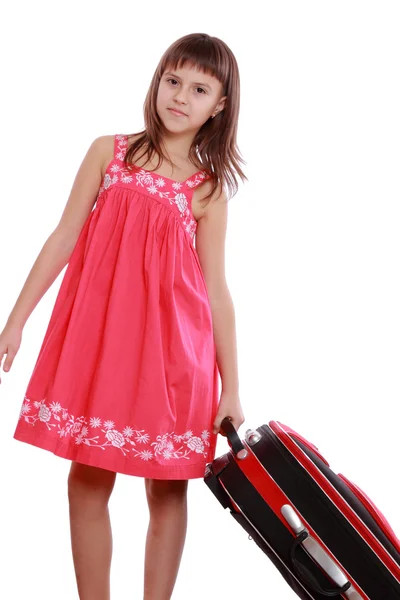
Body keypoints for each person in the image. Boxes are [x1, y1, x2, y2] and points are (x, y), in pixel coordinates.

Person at [1, 32, 247, 599]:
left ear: (220, 105)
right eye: (173, 79)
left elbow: (217, 291)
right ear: (158, 80)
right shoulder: (107, 152)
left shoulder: (207, 192)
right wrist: (16, 320)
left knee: (166, 488)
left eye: (199, 88)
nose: (181, 96)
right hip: (105, 347)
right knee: (86, 478)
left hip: (174, 358)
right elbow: (63, 237)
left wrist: (231, 386)